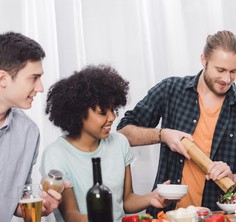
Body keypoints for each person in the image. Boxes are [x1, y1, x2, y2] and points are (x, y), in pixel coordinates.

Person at [117, 30, 236, 214]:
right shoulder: (171, 90)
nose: (227, 79)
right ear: (204, 60)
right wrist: (163, 135)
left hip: (215, 217)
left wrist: (233, 177)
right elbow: (122, 134)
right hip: (165, 216)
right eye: (220, 70)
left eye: (233, 71)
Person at [40, 64, 170, 222]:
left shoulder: (120, 143)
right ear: (79, 112)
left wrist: (151, 197)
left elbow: (126, 201)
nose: (112, 118)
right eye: (103, 112)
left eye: (113, 110)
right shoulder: (56, 154)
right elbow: (71, 215)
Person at [0, 32, 69, 221]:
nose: (41, 88)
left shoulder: (28, 132)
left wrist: (40, 205)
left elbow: (17, 199)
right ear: (2, 78)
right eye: (34, 78)